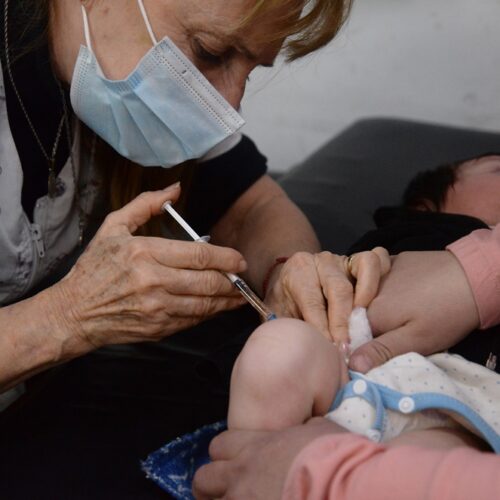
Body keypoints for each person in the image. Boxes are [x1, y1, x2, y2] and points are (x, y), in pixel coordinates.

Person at [193, 154, 500, 499]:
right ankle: (248, 465)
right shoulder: (410, 236)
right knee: (278, 345)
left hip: (452, 407)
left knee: (423, 453)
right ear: (424, 206)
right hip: (343, 376)